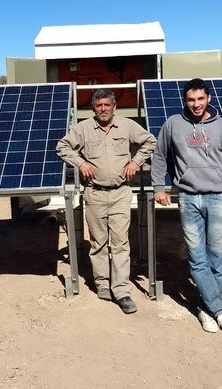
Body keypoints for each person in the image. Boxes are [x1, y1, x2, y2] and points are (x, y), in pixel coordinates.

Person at [151, 78, 222, 336]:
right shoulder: (172, 124)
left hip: (218, 197)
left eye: (200, 99)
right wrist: (158, 187)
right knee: (197, 257)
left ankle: (206, 308)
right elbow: (159, 156)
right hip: (188, 197)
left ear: (209, 99)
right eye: (191, 100)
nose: (196, 104)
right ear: (185, 101)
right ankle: (220, 311)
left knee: (217, 256)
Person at [56, 89, 157, 314]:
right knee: (98, 242)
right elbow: (62, 146)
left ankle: (121, 290)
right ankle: (102, 283)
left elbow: (150, 141)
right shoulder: (82, 129)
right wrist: (80, 163)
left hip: (121, 193)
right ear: (93, 108)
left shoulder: (127, 126)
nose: (103, 109)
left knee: (120, 243)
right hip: (94, 194)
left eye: (107, 105)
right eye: (99, 105)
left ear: (114, 107)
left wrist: (136, 162)